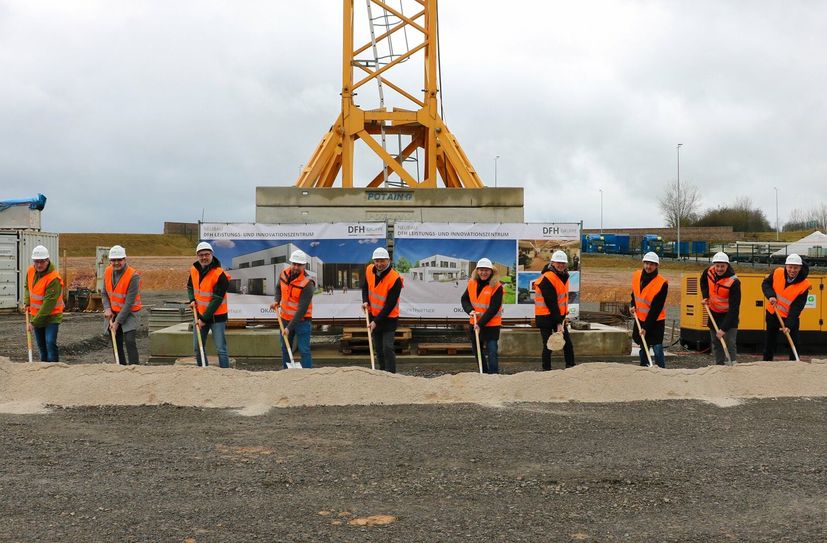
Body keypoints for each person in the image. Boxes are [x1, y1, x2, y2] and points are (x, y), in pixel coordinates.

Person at [187, 242, 231, 368]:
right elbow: (190, 286)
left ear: (212, 254)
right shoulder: (194, 270)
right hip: (199, 314)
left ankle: (225, 374)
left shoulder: (220, 274)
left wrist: (204, 319)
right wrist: (191, 299)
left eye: (206, 254)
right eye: (201, 255)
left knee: (221, 349)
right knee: (198, 348)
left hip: (217, 318)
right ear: (197, 256)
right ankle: (204, 372)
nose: (204, 257)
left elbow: (217, 299)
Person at [270, 250, 315, 368]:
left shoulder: (308, 283)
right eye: (294, 263)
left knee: (304, 350)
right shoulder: (284, 274)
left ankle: (307, 374)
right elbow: (278, 288)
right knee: (285, 348)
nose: (295, 267)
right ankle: (286, 373)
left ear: (304, 265)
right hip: (284, 319)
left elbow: (302, 310)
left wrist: (289, 328)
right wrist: (277, 300)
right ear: (290, 263)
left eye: (299, 265)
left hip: (302, 321)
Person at [761, 254, 811, 361]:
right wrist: (771, 296)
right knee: (770, 340)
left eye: (795, 268)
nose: (792, 270)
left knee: (794, 341)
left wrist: (789, 324)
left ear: (800, 268)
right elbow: (766, 284)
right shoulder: (778, 272)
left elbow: (797, 307)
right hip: (773, 312)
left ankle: (794, 363)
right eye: (790, 267)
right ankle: (767, 362)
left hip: (790, 316)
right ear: (786, 266)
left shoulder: (804, 285)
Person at [362, 247, 403, 373]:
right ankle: (382, 372)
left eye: (382, 261)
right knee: (378, 348)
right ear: (373, 261)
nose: (379, 264)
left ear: (388, 260)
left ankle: (391, 374)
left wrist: (376, 322)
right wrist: (365, 301)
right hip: (374, 315)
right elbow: (365, 287)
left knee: (387, 348)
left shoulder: (395, 279)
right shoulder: (369, 269)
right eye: (377, 261)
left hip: (389, 318)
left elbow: (390, 305)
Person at [461, 258, 504, 374]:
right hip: (475, 323)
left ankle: (493, 374)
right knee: (478, 351)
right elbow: (464, 299)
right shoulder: (472, 283)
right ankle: (483, 373)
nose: (483, 273)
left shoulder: (497, 286)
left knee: (492, 351)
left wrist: (480, 324)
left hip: (491, 325)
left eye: (486, 270)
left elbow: (494, 308)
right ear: (477, 271)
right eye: (481, 270)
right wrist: (470, 310)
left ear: (491, 271)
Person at [102, 245, 142, 365]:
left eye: (119, 260)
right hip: (113, 312)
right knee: (115, 340)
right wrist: (107, 308)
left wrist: (117, 322)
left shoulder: (133, 276)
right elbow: (104, 293)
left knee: (129, 341)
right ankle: (121, 367)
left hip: (130, 312)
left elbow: (129, 303)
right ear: (110, 261)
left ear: (125, 259)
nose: (116, 263)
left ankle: (134, 367)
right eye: (113, 260)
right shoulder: (107, 271)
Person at [534, 250, 574, 370]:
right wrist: (558, 323)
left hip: (558, 317)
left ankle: (571, 367)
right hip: (545, 317)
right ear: (552, 263)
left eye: (563, 263)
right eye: (558, 262)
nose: (561, 265)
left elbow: (561, 299)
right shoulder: (547, 278)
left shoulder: (563, 276)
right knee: (548, 345)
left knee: (567, 344)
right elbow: (551, 303)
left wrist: (562, 318)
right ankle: (546, 370)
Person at [23, 245, 64, 362]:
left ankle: (54, 368)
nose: (39, 265)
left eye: (42, 262)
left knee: (50, 343)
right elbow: (27, 287)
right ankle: (44, 368)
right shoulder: (31, 271)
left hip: (51, 316)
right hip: (36, 315)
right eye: (36, 262)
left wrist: (33, 323)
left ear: (47, 260)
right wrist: (27, 301)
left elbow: (48, 305)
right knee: (41, 346)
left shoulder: (54, 279)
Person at [699, 252, 740, 365]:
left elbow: (734, 308)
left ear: (727, 265)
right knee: (716, 342)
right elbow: (703, 281)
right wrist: (705, 296)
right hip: (714, 313)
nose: (719, 269)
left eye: (722, 266)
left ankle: (733, 364)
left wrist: (723, 329)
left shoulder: (734, 281)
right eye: (717, 266)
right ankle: (719, 365)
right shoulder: (709, 271)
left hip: (729, 315)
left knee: (730, 342)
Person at [630, 252, 668, 368]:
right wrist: (632, 305)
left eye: (651, 264)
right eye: (646, 263)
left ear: (656, 266)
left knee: (657, 346)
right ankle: (644, 367)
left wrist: (646, 327)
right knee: (643, 345)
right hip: (640, 318)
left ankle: (661, 369)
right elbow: (634, 294)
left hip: (656, 320)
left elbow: (656, 309)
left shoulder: (661, 283)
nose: (648, 266)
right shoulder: (636, 276)